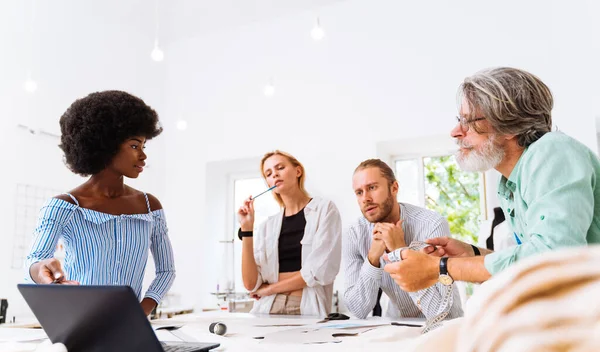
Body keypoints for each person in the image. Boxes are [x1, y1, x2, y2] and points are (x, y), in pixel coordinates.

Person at [384, 67, 600, 293]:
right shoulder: (510, 184)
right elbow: (532, 263)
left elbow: (554, 259)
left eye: (468, 121)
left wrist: (442, 268)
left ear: (510, 125)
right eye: (459, 120)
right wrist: (473, 254)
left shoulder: (553, 151)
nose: (456, 132)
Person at [24, 90, 175, 316]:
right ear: (106, 145)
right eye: (135, 146)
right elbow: (35, 261)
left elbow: (167, 270)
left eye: (144, 146)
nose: (143, 156)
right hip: (78, 321)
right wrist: (42, 272)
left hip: (129, 327)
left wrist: (142, 310)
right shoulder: (63, 207)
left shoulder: (149, 206)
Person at [344, 159, 463, 319]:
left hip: (444, 328)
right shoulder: (355, 234)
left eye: (372, 188)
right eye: (359, 192)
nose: (365, 198)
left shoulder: (431, 224)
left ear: (394, 188)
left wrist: (400, 252)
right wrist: (372, 258)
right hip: (398, 326)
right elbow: (358, 310)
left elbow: (440, 314)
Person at [237, 150, 342, 316]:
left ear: (298, 171)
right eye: (269, 173)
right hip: (267, 308)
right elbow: (251, 284)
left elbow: (318, 271)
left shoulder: (324, 209)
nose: (275, 175)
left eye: (280, 168)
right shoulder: (267, 226)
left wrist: (269, 289)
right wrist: (247, 229)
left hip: (304, 307)